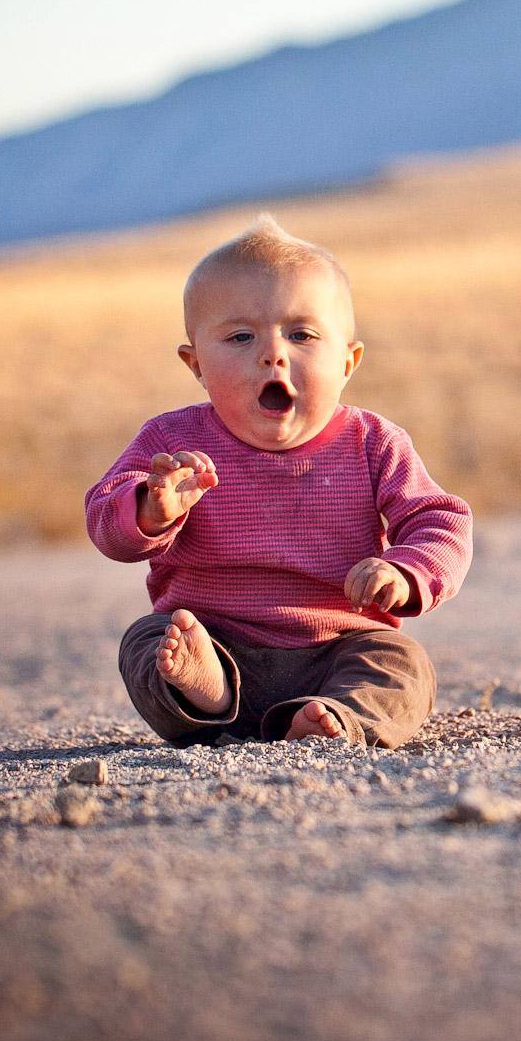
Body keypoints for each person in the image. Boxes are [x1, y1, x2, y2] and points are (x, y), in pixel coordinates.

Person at [85, 215, 472, 748]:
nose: (273, 352)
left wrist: (404, 573)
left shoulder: (372, 441)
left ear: (348, 361)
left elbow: (439, 520)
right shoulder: (170, 443)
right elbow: (105, 522)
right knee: (147, 643)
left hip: (339, 645)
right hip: (213, 637)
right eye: (240, 336)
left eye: (302, 334)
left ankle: (332, 716)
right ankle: (210, 694)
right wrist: (151, 509)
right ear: (195, 364)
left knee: (403, 664)